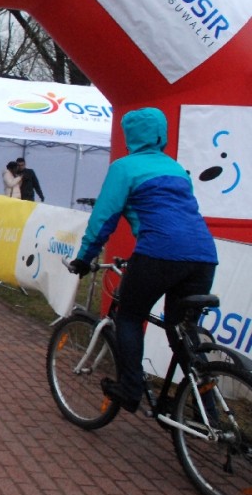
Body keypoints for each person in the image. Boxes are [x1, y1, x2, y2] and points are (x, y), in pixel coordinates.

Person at [68, 107, 217, 413]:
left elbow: (104, 217)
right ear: (162, 135)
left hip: (159, 252)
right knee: (182, 332)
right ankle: (210, 412)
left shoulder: (124, 167)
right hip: (203, 255)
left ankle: (130, 388)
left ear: (130, 137)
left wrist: (84, 258)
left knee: (129, 317)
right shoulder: (176, 168)